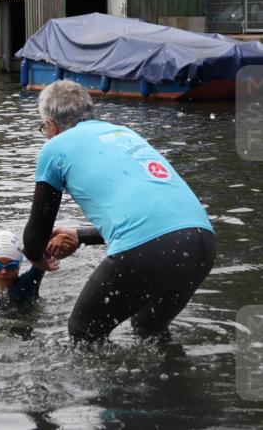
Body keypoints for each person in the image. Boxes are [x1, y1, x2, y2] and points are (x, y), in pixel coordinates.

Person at [23, 80, 216, 343]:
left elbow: (36, 232)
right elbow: (153, 220)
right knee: (148, 326)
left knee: (84, 329)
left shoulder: (55, 147)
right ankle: (169, 381)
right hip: (202, 242)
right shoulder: (124, 134)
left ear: (50, 125)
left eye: (42, 128)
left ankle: (100, 385)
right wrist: (81, 235)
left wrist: (37, 258)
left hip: (152, 247)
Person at [0, 230, 58, 309]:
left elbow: (40, 257)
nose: (3, 272)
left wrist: (49, 249)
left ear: (18, 266)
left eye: (11, 266)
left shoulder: (28, 284)